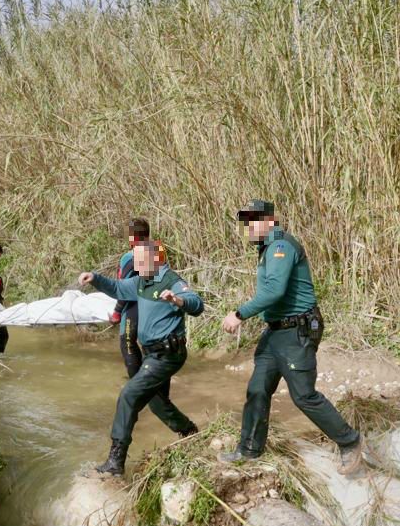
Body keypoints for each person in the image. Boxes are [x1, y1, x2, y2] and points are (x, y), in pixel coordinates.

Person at [219, 200, 362, 474]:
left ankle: (350, 441)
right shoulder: (268, 248)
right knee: (258, 388)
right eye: (246, 223)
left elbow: (274, 291)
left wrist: (239, 314)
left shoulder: (281, 246)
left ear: (269, 220)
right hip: (275, 333)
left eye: (254, 221)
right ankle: (249, 450)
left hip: (297, 331)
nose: (248, 227)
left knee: (303, 396)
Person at [78, 240, 202, 476]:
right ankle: (189, 432)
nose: (136, 264)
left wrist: (177, 301)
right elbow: (117, 288)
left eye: (140, 260)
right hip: (152, 354)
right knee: (156, 402)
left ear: (156, 259)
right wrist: (94, 278)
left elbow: (197, 304)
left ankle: (116, 461)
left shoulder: (171, 281)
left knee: (129, 394)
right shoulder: (141, 281)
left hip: (167, 355)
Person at [109, 218, 149, 377]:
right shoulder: (157, 253)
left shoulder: (129, 257)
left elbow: (124, 288)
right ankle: (151, 378)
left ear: (133, 238)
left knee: (127, 343)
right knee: (147, 345)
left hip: (133, 308)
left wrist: (117, 312)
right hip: (153, 306)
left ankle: (136, 382)